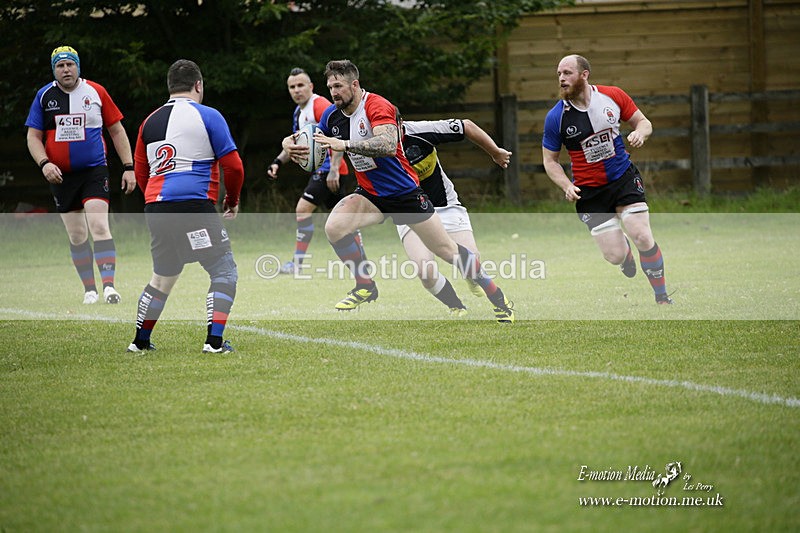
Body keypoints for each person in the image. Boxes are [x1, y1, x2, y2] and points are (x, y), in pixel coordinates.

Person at [282, 59, 514, 323]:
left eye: (338, 86)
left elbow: (388, 144)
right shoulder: (332, 115)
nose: (333, 92)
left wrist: (344, 144)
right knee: (335, 227)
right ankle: (365, 286)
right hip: (371, 195)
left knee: (449, 252)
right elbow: (307, 137)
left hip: (405, 194)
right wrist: (289, 145)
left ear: (354, 84)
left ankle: (498, 299)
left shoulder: (377, 105)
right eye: (330, 86)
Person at [127, 59, 244, 353]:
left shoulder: (148, 121)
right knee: (223, 269)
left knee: (163, 275)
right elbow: (234, 167)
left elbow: (143, 173)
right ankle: (214, 343)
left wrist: (157, 204)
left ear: (169, 88)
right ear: (199, 85)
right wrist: (232, 200)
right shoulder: (208, 115)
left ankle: (140, 342)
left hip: (156, 206)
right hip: (193, 206)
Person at [541, 54, 672, 304]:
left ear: (584, 74)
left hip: (622, 178)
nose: (561, 79)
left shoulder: (612, 96)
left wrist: (640, 134)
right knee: (614, 256)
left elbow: (644, 122)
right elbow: (550, 161)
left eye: (567, 73)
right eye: (558, 74)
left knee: (642, 235)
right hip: (590, 193)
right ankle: (624, 254)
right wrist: (566, 185)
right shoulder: (556, 117)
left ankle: (662, 297)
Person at [25, 45, 137, 305]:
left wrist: (129, 167)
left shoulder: (96, 92)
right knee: (77, 235)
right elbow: (33, 137)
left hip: (94, 171)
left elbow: (117, 131)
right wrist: (44, 164)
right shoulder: (44, 96)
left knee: (99, 225)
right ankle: (90, 290)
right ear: (54, 70)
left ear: (78, 67)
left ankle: (109, 287)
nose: (66, 69)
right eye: (60, 66)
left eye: (70, 64)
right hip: (61, 176)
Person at [398, 113, 513, 315]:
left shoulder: (421, 132)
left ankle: (474, 280)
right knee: (425, 271)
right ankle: (456, 306)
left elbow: (466, 125)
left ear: (400, 124)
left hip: (444, 206)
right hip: (410, 213)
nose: (384, 134)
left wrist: (495, 152)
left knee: (472, 260)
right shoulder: (374, 147)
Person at [266, 67, 358, 274]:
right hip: (326, 172)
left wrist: (334, 168)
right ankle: (360, 258)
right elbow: (295, 145)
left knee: (302, 210)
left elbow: (337, 137)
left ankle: (297, 263)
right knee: (344, 219)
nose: (296, 90)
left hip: (330, 171)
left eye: (300, 85)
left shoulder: (320, 105)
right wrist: (277, 162)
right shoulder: (299, 112)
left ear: (311, 86)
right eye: (292, 87)